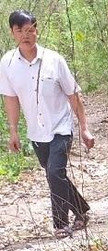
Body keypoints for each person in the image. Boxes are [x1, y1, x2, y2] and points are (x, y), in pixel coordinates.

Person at [0, 10, 94, 238]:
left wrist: (84, 127)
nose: (26, 35)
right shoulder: (8, 63)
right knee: (56, 174)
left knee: (54, 173)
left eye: (30, 30)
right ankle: (82, 210)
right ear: (13, 33)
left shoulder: (55, 60)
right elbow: (11, 99)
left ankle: (60, 224)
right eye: (20, 30)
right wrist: (13, 131)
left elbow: (73, 95)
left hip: (61, 128)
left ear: (36, 30)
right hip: (36, 132)